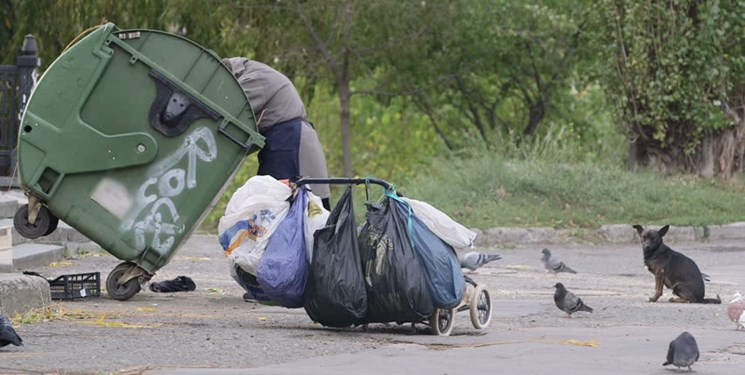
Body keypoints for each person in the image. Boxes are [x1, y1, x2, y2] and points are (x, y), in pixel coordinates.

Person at [222, 57, 331, 210]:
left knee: (276, 201)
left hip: (289, 141)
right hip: (287, 139)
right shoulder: (255, 71)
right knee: (280, 202)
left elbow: (231, 109)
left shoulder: (253, 78)